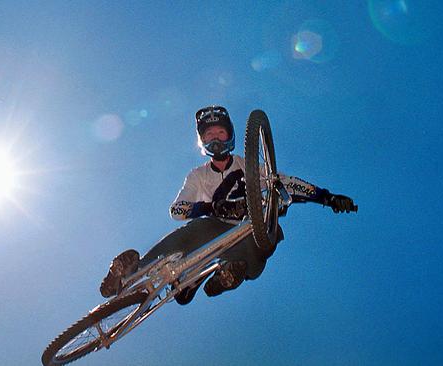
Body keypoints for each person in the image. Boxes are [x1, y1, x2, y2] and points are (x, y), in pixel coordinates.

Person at [100, 105, 356, 305]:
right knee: (194, 232)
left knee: (270, 234)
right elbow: (177, 210)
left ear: (230, 136)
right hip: (214, 227)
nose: (215, 140)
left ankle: (228, 275)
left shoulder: (248, 166)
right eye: (209, 136)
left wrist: (327, 198)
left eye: (220, 134)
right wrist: (208, 208)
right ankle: (132, 269)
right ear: (202, 143)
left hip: (249, 229)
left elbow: (286, 183)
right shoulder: (198, 176)